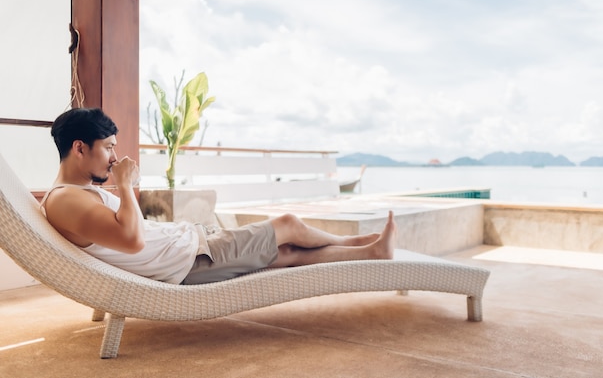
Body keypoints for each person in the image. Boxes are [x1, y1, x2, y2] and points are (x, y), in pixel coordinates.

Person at [41, 108, 396, 285]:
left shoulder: (76, 194)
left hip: (191, 249)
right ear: (79, 148)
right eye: (108, 148)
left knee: (286, 253)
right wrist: (125, 185)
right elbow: (131, 241)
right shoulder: (66, 201)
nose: (115, 157)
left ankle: (366, 251)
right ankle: (358, 244)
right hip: (190, 260)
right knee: (287, 225)